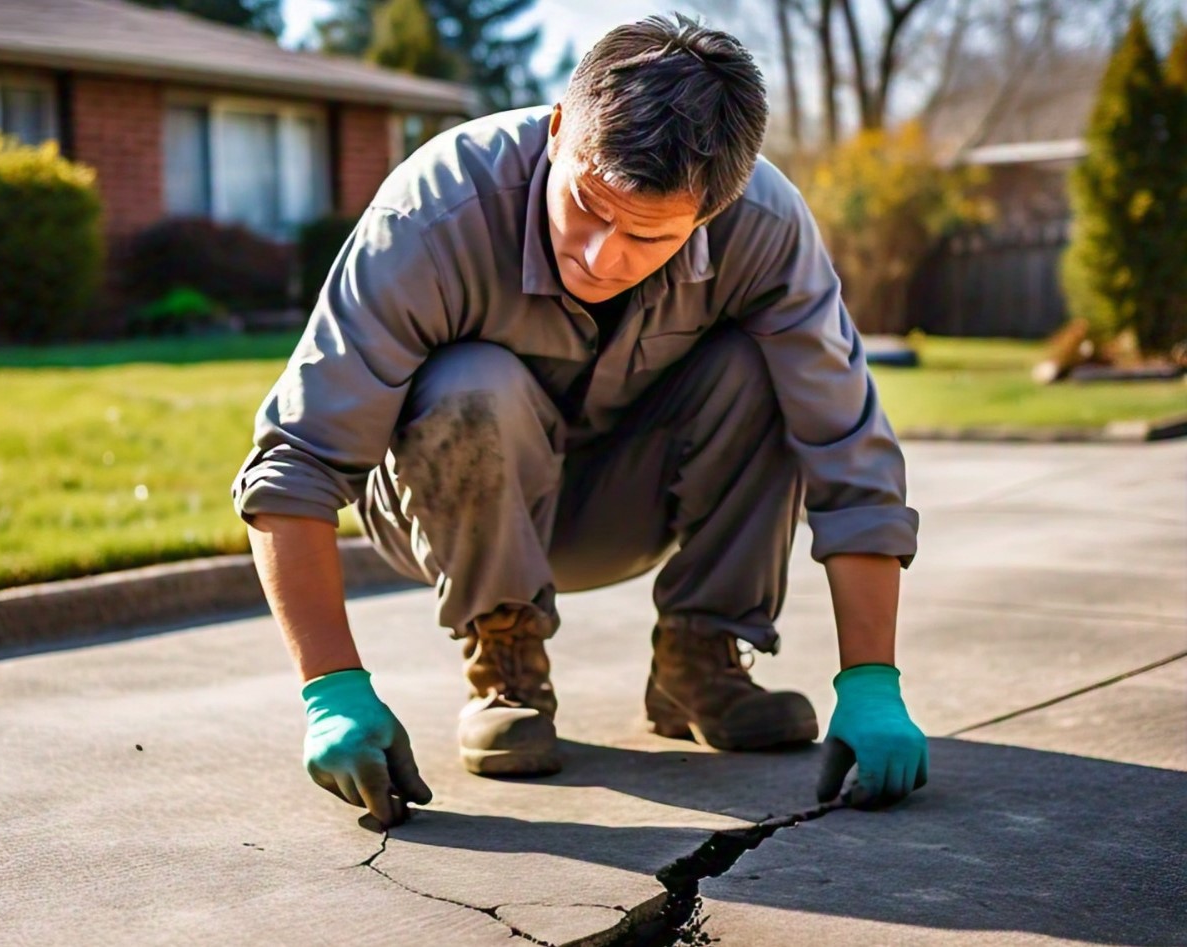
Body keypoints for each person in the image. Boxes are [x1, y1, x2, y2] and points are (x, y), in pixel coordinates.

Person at [234, 14, 928, 830]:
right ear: (558, 128)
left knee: (769, 372)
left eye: (648, 234)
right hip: (447, 501)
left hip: (629, 505)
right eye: (589, 207)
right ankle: (506, 658)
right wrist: (331, 687)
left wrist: (873, 680)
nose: (602, 256)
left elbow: (850, 452)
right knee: (473, 379)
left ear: (711, 212)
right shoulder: (433, 213)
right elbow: (294, 460)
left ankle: (701, 655)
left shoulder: (767, 230)